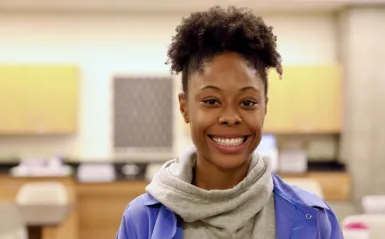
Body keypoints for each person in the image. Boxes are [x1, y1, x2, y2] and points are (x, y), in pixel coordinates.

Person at [116, 5, 343, 239]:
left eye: (247, 103)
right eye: (212, 101)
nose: (230, 117)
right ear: (185, 108)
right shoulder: (142, 221)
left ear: (265, 106)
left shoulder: (314, 219)